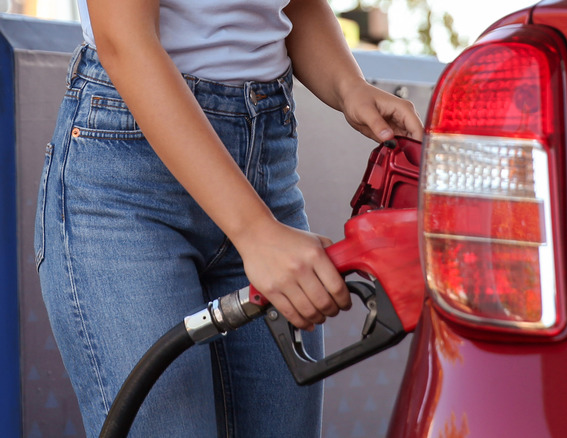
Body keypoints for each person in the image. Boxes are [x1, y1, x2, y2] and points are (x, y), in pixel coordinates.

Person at [33, 0, 423, 436]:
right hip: (129, 182)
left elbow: (292, 6)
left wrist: (349, 85)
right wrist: (254, 232)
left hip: (265, 164)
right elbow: (124, 40)